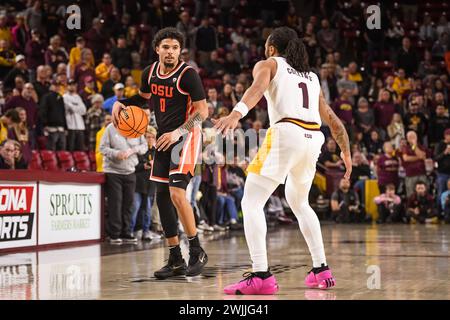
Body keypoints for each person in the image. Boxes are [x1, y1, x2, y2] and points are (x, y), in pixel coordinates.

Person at [214, 27, 352, 294]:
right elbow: (333, 120)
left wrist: (235, 114)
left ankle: (261, 275)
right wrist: (346, 151)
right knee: (300, 202)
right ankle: (321, 270)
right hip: (313, 139)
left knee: (251, 201)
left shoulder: (269, 63)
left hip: (286, 133)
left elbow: (256, 89)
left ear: (272, 48)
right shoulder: (311, 77)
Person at [111, 28, 209, 279]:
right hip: (164, 138)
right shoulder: (149, 73)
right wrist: (122, 103)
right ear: (157, 49)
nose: (170, 52)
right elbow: (143, 99)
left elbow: (202, 112)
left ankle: (196, 250)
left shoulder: (188, 75)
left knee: (177, 194)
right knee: (162, 197)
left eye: (175, 48)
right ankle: (175, 257)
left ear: (180, 51)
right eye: (166, 47)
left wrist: (178, 132)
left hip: (185, 137)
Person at [99, 122, 148, 244]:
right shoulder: (110, 128)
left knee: (129, 204)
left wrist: (133, 150)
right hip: (113, 172)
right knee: (115, 204)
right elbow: (102, 148)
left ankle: (126, 232)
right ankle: (114, 234)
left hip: (130, 171)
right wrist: (116, 153)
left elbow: (145, 146)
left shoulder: (137, 126)